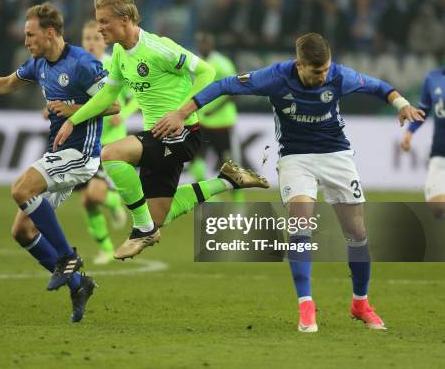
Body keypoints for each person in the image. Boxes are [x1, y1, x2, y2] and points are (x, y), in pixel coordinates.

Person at [152, 32, 425, 332]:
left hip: (337, 155)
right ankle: (306, 306)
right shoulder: (275, 77)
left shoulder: (338, 76)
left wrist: (401, 103)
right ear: (299, 64)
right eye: (316, 71)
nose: (323, 77)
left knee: (357, 233)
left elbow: (377, 86)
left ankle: (360, 303)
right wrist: (182, 112)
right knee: (300, 227)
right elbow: (223, 85)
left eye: (326, 69)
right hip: (295, 157)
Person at [54, 0, 268, 260]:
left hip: (182, 133)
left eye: (105, 22)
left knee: (111, 154)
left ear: (125, 19)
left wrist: (181, 112)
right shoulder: (120, 52)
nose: (100, 29)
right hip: (156, 134)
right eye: (98, 22)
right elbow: (109, 94)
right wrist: (74, 119)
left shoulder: (158, 48)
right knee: (159, 215)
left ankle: (142, 230)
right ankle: (228, 181)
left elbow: (206, 71)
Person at [0, 3, 121, 323]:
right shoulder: (39, 63)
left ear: (50, 33)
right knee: (22, 231)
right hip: (58, 153)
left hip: (82, 156)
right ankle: (80, 285)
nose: (26, 41)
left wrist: (73, 109)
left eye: (30, 34)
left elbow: (114, 104)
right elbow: (9, 82)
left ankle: (67, 257)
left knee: (21, 188)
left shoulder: (83, 64)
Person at [77, 20, 139, 264]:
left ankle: (114, 203)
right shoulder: (78, 68)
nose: (91, 43)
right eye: (87, 39)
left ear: (104, 40)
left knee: (94, 195)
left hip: (111, 144)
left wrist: (122, 113)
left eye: (96, 38)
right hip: (85, 143)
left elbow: (134, 98)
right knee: (88, 200)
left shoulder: (114, 64)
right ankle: (104, 247)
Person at [189, 31, 239, 194]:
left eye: (206, 42)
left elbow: (234, 92)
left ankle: (237, 200)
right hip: (202, 121)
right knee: (196, 158)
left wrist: (213, 110)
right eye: (200, 42)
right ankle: (207, 196)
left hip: (222, 122)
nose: (203, 45)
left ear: (212, 44)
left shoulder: (223, 64)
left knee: (228, 163)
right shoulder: (195, 63)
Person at [401, 66, 445, 219]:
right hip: (440, 154)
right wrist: (410, 131)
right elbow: (423, 110)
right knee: (437, 208)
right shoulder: (433, 78)